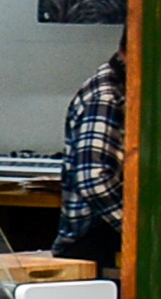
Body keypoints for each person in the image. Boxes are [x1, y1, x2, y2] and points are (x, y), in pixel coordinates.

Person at [50, 49, 122, 271]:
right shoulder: (107, 97)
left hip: (98, 240)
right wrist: (136, 228)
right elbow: (94, 180)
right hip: (92, 244)